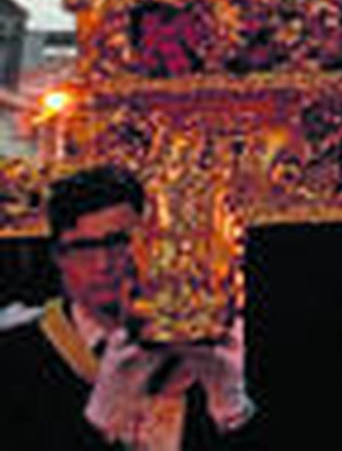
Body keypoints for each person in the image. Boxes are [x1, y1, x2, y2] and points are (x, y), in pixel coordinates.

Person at [0, 164, 255, 449]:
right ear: (58, 257)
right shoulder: (14, 357)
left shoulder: (213, 341)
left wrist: (230, 411)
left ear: (150, 244)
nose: (102, 264)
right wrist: (100, 418)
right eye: (82, 248)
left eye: (118, 242)